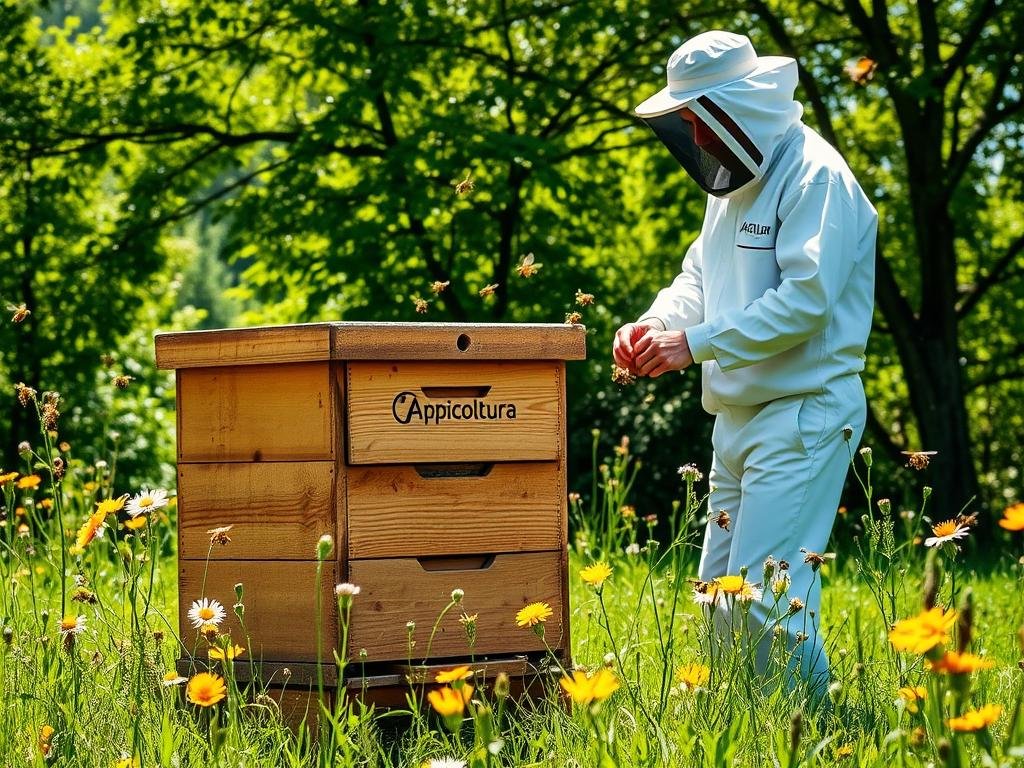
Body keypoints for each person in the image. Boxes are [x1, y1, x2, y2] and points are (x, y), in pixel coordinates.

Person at [612, 30, 877, 696]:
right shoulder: (730, 187)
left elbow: (806, 304)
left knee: (765, 607)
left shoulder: (817, 176)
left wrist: (692, 345)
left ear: (741, 107)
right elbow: (698, 277)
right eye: (687, 124)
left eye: (700, 120)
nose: (695, 139)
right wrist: (657, 324)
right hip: (735, 418)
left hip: (802, 415)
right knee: (718, 604)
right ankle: (738, 736)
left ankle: (819, 737)